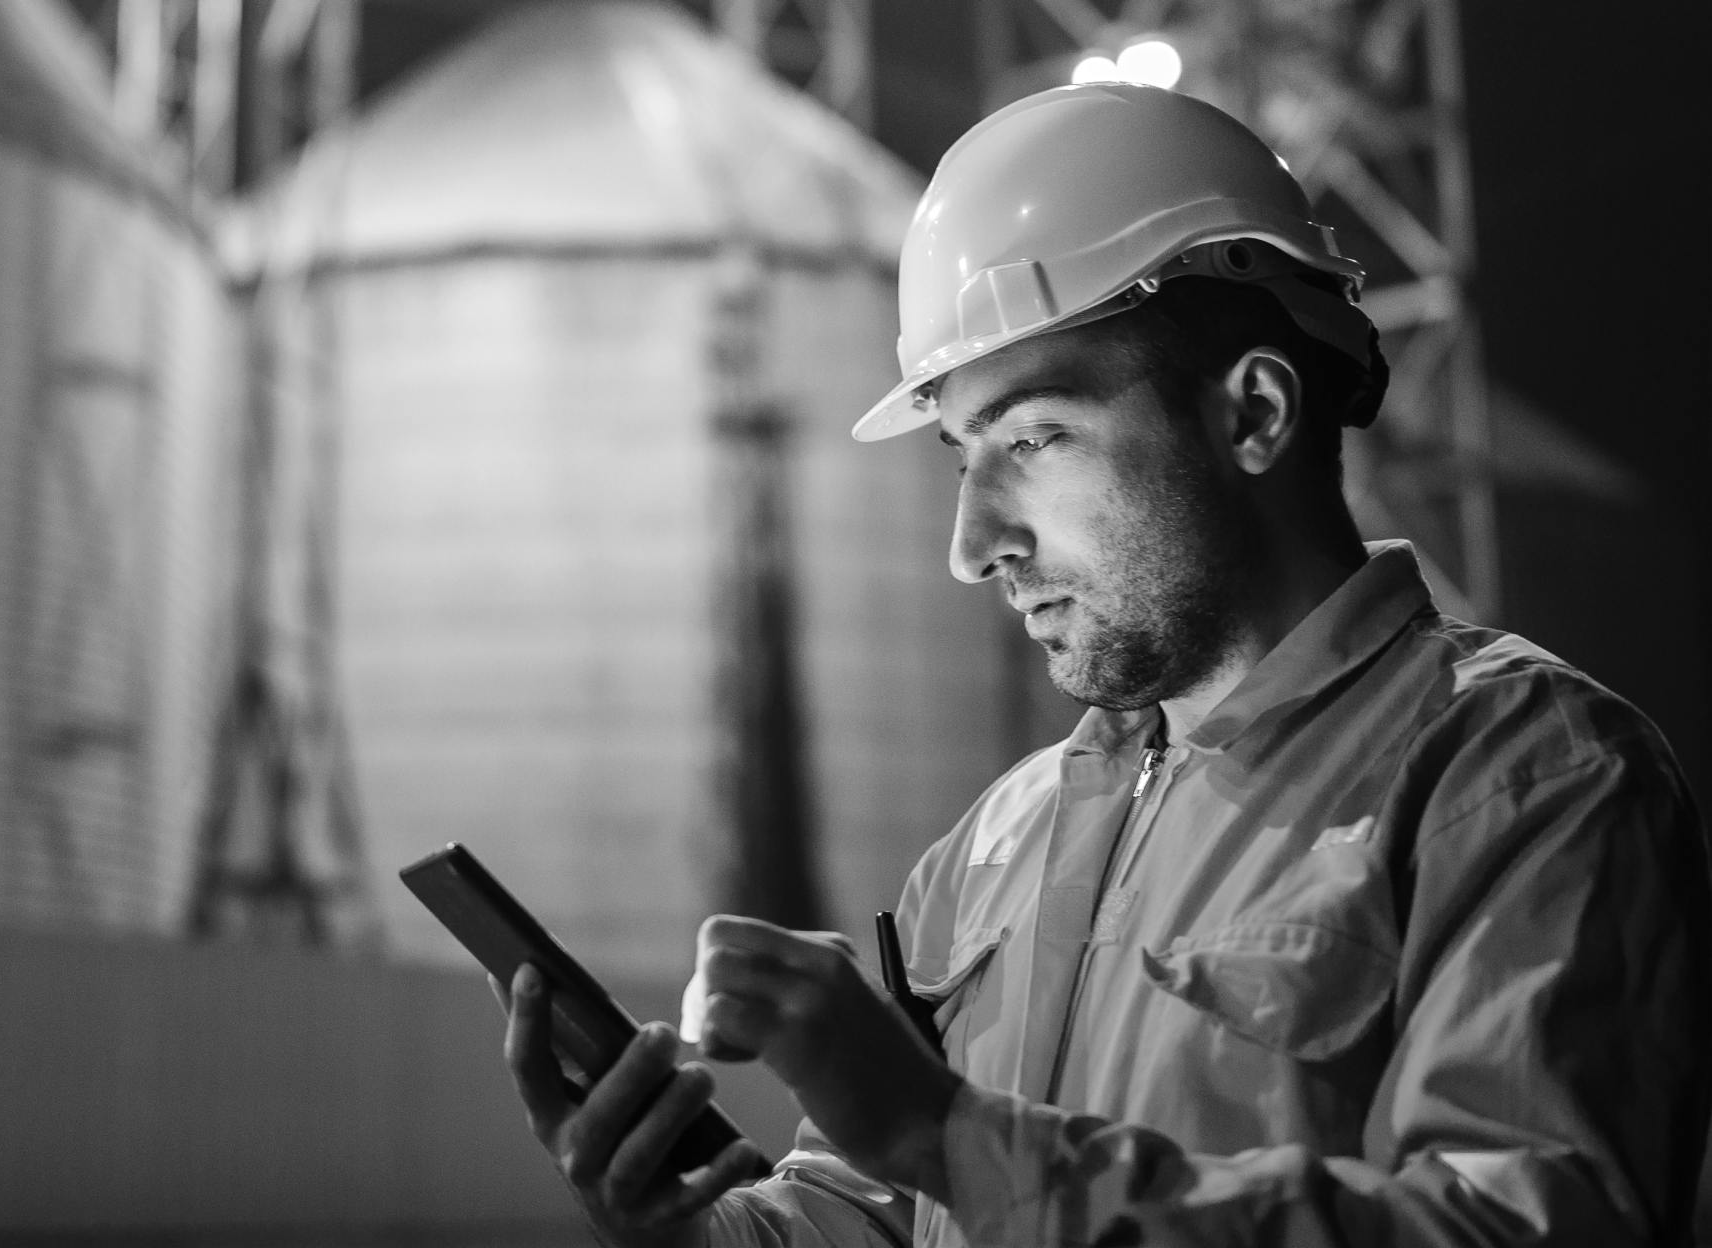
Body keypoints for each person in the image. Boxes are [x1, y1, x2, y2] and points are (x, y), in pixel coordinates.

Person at [497, 82, 1712, 1247]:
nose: (973, 548)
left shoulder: (1522, 780)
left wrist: (951, 1139)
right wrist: (691, 1230)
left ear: (1253, 415)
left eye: (1036, 436)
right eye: (962, 456)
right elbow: (882, 1216)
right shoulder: (991, 847)